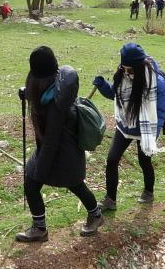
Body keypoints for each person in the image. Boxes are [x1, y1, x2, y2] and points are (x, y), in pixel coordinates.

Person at [15, 46, 104, 242]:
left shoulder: (56, 107)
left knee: (74, 185)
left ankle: (96, 215)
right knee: (33, 183)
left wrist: (41, 169)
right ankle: (40, 228)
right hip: (52, 150)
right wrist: (27, 94)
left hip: (64, 154)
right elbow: (40, 96)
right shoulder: (53, 87)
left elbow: (52, 140)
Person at [93, 43, 165, 210]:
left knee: (144, 160)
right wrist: (102, 85)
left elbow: (161, 110)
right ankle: (110, 200)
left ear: (139, 67)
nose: (126, 73)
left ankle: (148, 191)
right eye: (124, 68)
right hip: (125, 124)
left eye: (130, 70)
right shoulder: (123, 74)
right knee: (112, 160)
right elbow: (115, 94)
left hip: (146, 127)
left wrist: (152, 135)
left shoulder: (156, 81)